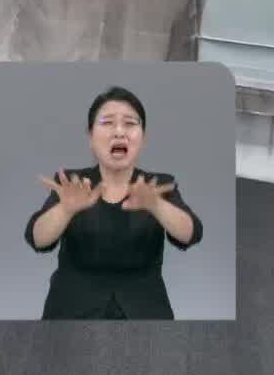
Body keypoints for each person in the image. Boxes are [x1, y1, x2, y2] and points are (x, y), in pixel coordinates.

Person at [24, 86, 202, 319]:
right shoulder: (73, 184)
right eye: (107, 123)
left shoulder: (157, 185)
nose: (119, 132)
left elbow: (191, 234)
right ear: (90, 136)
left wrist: (157, 206)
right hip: (71, 306)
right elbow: (37, 239)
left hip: (145, 309)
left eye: (130, 123)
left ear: (143, 137)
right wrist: (65, 209)